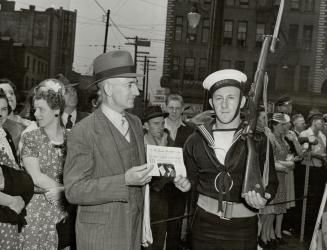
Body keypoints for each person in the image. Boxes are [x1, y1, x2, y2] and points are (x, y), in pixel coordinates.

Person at [64, 50, 159, 250]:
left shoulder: (135, 123)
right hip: (100, 237)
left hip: (132, 232)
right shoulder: (83, 131)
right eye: (129, 85)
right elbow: (74, 191)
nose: (137, 92)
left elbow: (141, 176)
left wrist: (172, 174)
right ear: (108, 88)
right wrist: (124, 181)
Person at [183, 69, 278, 250]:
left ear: (242, 102)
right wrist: (184, 184)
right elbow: (191, 180)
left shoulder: (257, 140)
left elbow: (271, 182)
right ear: (211, 103)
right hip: (204, 225)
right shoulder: (195, 139)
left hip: (243, 227)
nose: (224, 105)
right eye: (219, 99)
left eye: (231, 98)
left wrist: (264, 197)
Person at [20, 79, 69, 249]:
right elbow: (36, 176)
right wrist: (67, 191)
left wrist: (66, 194)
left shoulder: (73, 137)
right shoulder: (30, 137)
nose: (36, 114)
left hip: (64, 212)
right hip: (36, 212)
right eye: (35, 109)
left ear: (56, 111)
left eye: (41, 109)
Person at [0, 89, 34, 249]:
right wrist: (12, 200)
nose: (0, 114)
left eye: (3, 109)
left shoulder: (4, 133)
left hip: (9, 218)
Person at [142, 105, 173, 250]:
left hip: (161, 200)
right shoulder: (138, 145)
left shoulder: (168, 142)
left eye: (162, 123)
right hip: (142, 199)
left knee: (159, 239)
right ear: (145, 126)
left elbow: (170, 174)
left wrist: (163, 150)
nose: (160, 127)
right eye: (156, 124)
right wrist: (162, 152)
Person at [299, 111, 327, 238]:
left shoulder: (322, 136)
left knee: (317, 200)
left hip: (320, 170)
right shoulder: (305, 134)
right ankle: (303, 229)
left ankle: (312, 229)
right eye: (321, 121)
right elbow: (303, 153)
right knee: (307, 200)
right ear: (314, 121)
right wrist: (319, 155)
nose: (323, 123)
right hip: (308, 170)